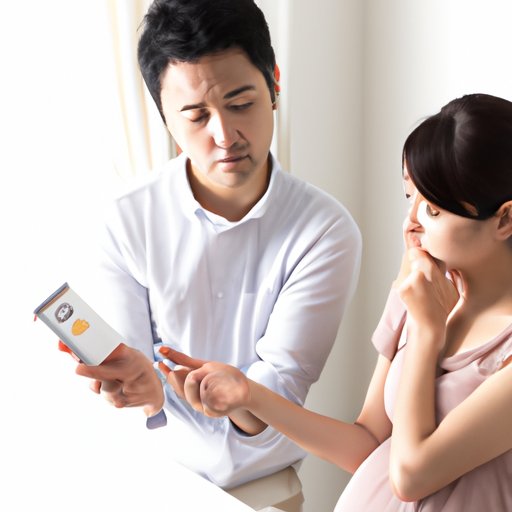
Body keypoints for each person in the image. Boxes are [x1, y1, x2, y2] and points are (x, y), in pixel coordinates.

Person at [69, 0, 361, 510]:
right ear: (165, 118)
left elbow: (281, 391)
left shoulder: (324, 230)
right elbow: (136, 372)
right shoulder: (124, 220)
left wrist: (238, 394)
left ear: (274, 84)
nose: (225, 136)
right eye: (197, 116)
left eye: (240, 104)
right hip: (155, 484)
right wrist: (135, 386)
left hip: (265, 488)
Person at [157, 93, 512, 511]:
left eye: (432, 210)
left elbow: (411, 476)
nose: (411, 222)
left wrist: (426, 332)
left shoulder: (430, 313)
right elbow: (370, 444)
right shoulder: (417, 291)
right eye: (409, 197)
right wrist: (249, 395)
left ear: (505, 219)